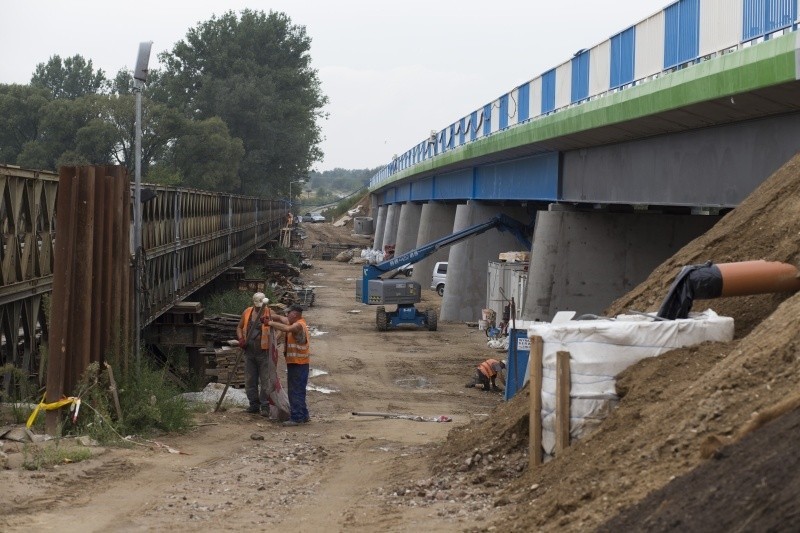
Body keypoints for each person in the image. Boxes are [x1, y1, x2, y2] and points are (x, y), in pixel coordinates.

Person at [268, 305, 311, 426]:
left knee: (295, 391)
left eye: (289, 313)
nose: (287, 315)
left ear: (295, 314)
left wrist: (270, 323)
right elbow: (282, 319)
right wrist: (270, 315)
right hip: (296, 363)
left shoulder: (298, 325)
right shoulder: (295, 321)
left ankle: (296, 417)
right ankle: (303, 414)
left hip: (299, 363)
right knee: (298, 390)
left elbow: (286, 328)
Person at [236, 292, 272, 416]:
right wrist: (241, 339)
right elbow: (239, 327)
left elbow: (279, 331)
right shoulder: (247, 312)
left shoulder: (270, 313)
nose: (258, 308)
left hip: (264, 353)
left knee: (265, 381)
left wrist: (273, 343)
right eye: (256, 305)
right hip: (249, 352)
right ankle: (253, 405)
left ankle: (265, 406)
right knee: (250, 380)